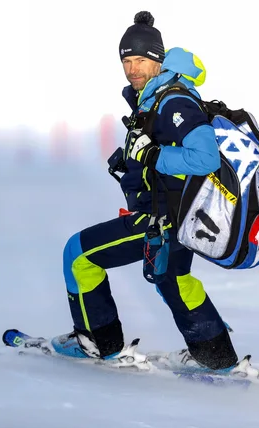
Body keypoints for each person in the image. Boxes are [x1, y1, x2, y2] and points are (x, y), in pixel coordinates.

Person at [50, 11, 239, 371]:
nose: (133, 68)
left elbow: (205, 158)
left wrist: (151, 154)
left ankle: (99, 343)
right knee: (175, 280)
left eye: (141, 60)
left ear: (158, 60)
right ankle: (218, 358)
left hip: (161, 219)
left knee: (78, 255)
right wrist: (132, 158)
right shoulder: (155, 97)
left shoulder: (173, 101)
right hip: (181, 217)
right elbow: (164, 143)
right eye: (127, 60)